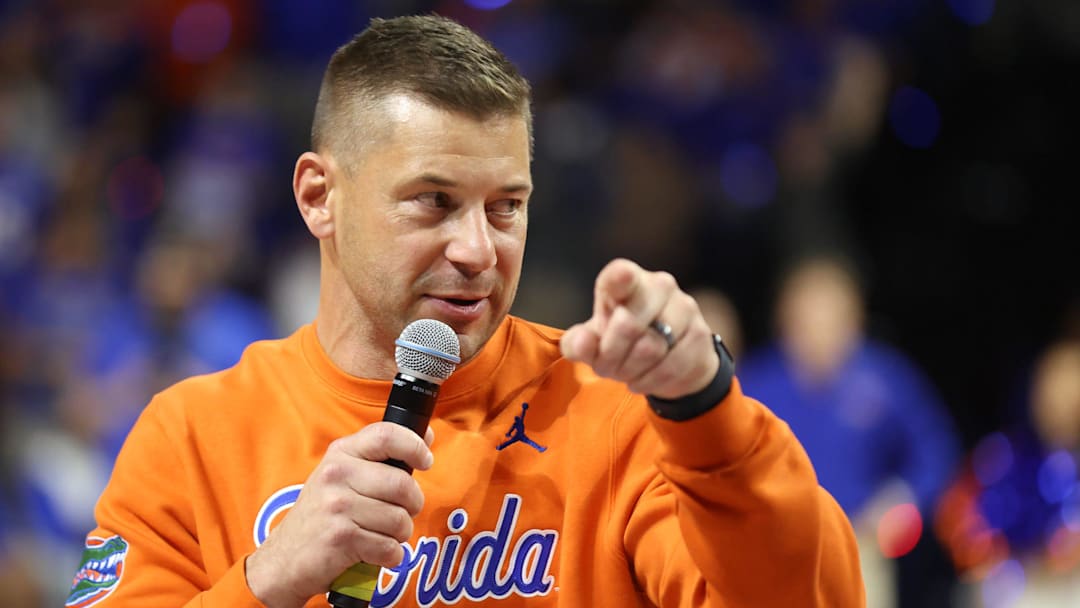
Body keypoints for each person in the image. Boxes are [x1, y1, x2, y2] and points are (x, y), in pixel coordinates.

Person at [68, 15, 864, 607]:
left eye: (506, 207)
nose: (480, 250)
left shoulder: (618, 420)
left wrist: (705, 407)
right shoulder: (192, 438)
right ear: (320, 197)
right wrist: (271, 576)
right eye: (434, 202)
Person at [736, 251, 959, 608]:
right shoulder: (756, 384)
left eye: (833, 315)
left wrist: (901, 505)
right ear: (785, 318)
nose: (820, 328)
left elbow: (936, 452)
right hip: (773, 553)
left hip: (860, 549)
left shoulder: (886, 377)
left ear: (855, 318)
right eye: (807, 316)